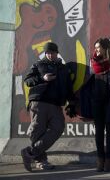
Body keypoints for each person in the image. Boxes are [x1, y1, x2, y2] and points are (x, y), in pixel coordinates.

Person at [22, 42, 77, 172]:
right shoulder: (38, 64)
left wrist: (72, 104)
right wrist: (42, 78)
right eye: (47, 53)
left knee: (58, 127)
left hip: (56, 104)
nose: (49, 55)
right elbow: (28, 80)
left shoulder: (64, 69)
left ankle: (30, 152)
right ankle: (41, 162)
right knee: (37, 131)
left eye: (52, 52)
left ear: (57, 53)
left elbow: (69, 88)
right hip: (39, 101)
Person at [80, 38, 110, 172]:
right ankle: (100, 159)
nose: (96, 50)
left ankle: (109, 160)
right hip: (97, 102)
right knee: (99, 131)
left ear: (106, 48)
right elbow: (89, 81)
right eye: (95, 48)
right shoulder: (94, 63)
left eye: (99, 47)